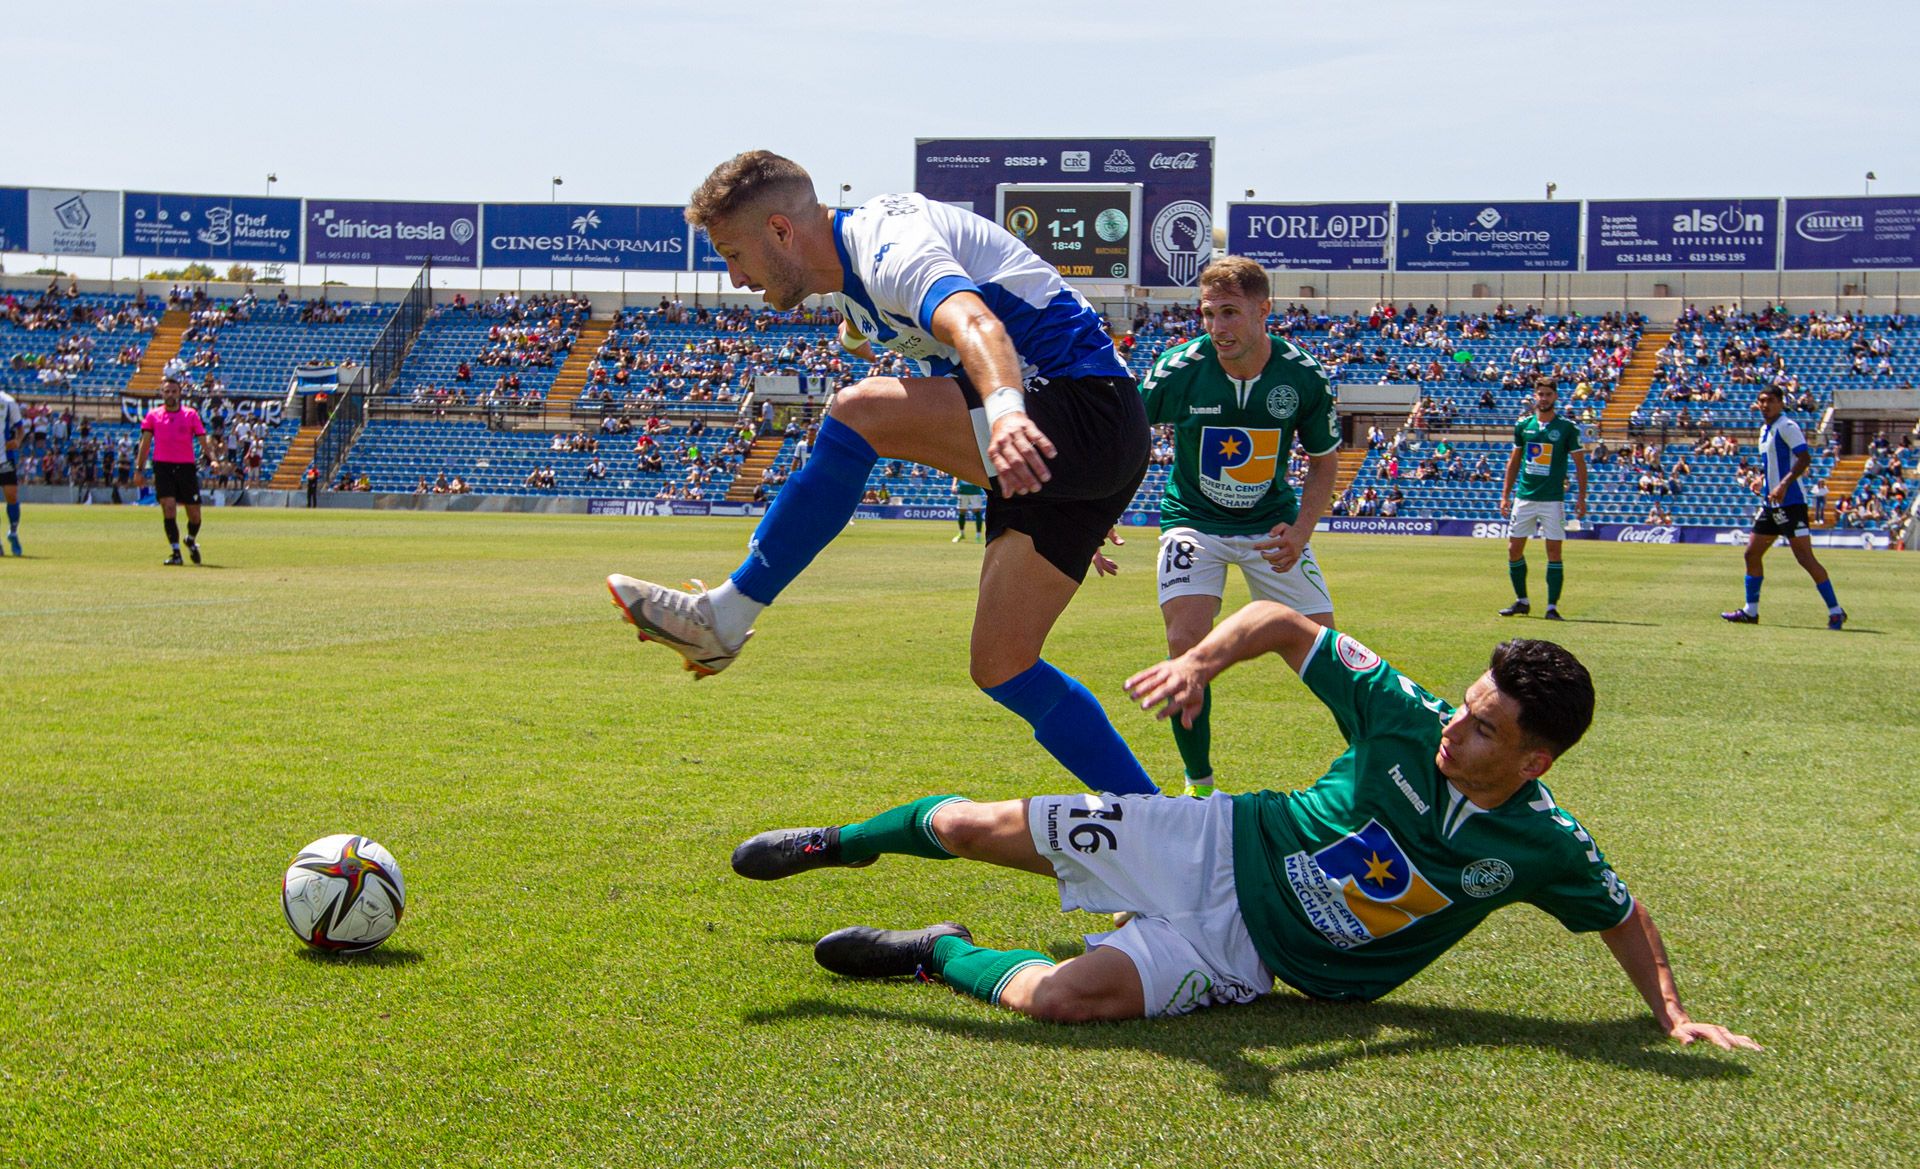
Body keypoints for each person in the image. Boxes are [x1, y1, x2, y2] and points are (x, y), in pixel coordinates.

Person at [728, 602, 1759, 1050]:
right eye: (1461, 702)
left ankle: (935, 952)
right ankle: (839, 842)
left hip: (1241, 953)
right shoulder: (1403, 713)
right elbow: (1276, 622)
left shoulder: (1544, 841)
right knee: (967, 825)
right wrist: (1198, 664)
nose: (1454, 725)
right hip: (1216, 840)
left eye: (1482, 726)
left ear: (1534, 760)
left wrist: (1668, 1012)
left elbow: (1620, 911)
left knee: (1065, 1000)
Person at [608, 150, 1155, 796]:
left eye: (734, 253)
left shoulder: (891, 247)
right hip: (1064, 445)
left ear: (782, 231)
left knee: (859, 408)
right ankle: (1161, 833)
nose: (734, 278)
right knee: (1002, 664)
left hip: (1082, 407)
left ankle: (726, 616)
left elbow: (975, 322)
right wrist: (1057, 483)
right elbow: (885, 340)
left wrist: (1009, 418)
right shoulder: (850, 285)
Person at [1139, 256, 1340, 798]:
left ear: (1263, 310)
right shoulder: (1178, 370)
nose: (1216, 328)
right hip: (1193, 523)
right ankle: (1198, 787)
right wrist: (1099, 514)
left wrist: (1300, 532)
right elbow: (1124, 437)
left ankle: (1375, 775)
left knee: (1331, 653)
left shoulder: (1303, 376)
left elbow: (1324, 460)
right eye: (1207, 314)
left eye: (1229, 313)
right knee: (1184, 646)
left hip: (1270, 527)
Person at [1721, 385, 1845, 629]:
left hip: (1791, 503)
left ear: (1780, 402)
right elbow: (1776, 465)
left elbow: (1804, 458)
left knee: (1805, 558)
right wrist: (1764, 481)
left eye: (1769, 400)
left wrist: (1784, 485)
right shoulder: (1765, 430)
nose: (1764, 405)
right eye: (1761, 401)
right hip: (1771, 504)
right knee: (1751, 554)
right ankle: (1750, 611)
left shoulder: (1787, 427)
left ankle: (1835, 611)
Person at [1499, 381, 1587, 620]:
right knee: (1513, 549)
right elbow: (1514, 461)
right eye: (1541, 394)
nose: (1544, 398)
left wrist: (1581, 498)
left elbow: (1580, 464)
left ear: (1555, 396)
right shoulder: (1524, 426)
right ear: (1535, 396)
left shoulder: (1567, 428)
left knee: (1554, 552)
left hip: (1552, 500)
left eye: (1548, 394)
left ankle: (1551, 607)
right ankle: (1522, 601)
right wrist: (1505, 494)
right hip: (1525, 497)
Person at [133, 379, 208, 566]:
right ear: (162, 394)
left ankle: (190, 539)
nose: (171, 395)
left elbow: (202, 439)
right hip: (163, 466)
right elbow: (145, 443)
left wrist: (211, 458)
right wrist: (139, 469)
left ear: (180, 393)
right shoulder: (153, 416)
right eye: (167, 391)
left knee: (194, 513)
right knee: (168, 507)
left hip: (186, 467)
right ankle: (175, 552)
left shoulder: (191, 415)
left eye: (174, 391)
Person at [0, 389, 23, 556]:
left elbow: (20, 428)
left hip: (5, 458)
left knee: (12, 495)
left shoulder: (8, 402)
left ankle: (13, 532)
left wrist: (17, 441)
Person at [950, 473, 985, 543]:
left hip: (975, 491)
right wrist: (953, 485)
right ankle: (961, 533)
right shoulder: (960, 463)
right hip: (963, 490)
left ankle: (978, 536)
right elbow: (956, 473)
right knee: (962, 511)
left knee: (977, 511)